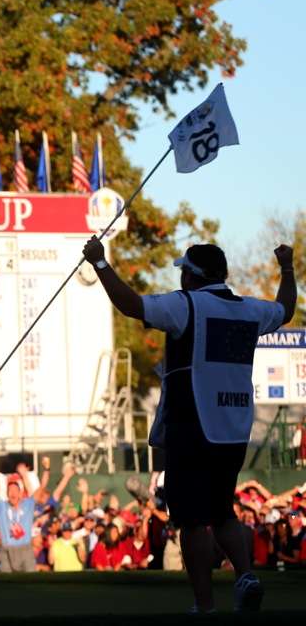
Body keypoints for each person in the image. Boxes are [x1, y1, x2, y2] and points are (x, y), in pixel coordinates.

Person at [82, 238, 296, 613]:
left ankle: (205, 605)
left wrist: (100, 263)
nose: (180, 276)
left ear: (193, 275)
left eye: (184, 270)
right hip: (234, 429)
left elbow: (131, 304)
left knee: (193, 522)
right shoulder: (249, 309)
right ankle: (245, 576)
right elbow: (286, 309)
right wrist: (288, 268)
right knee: (222, 511)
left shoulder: (186, 305)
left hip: (193, 425)